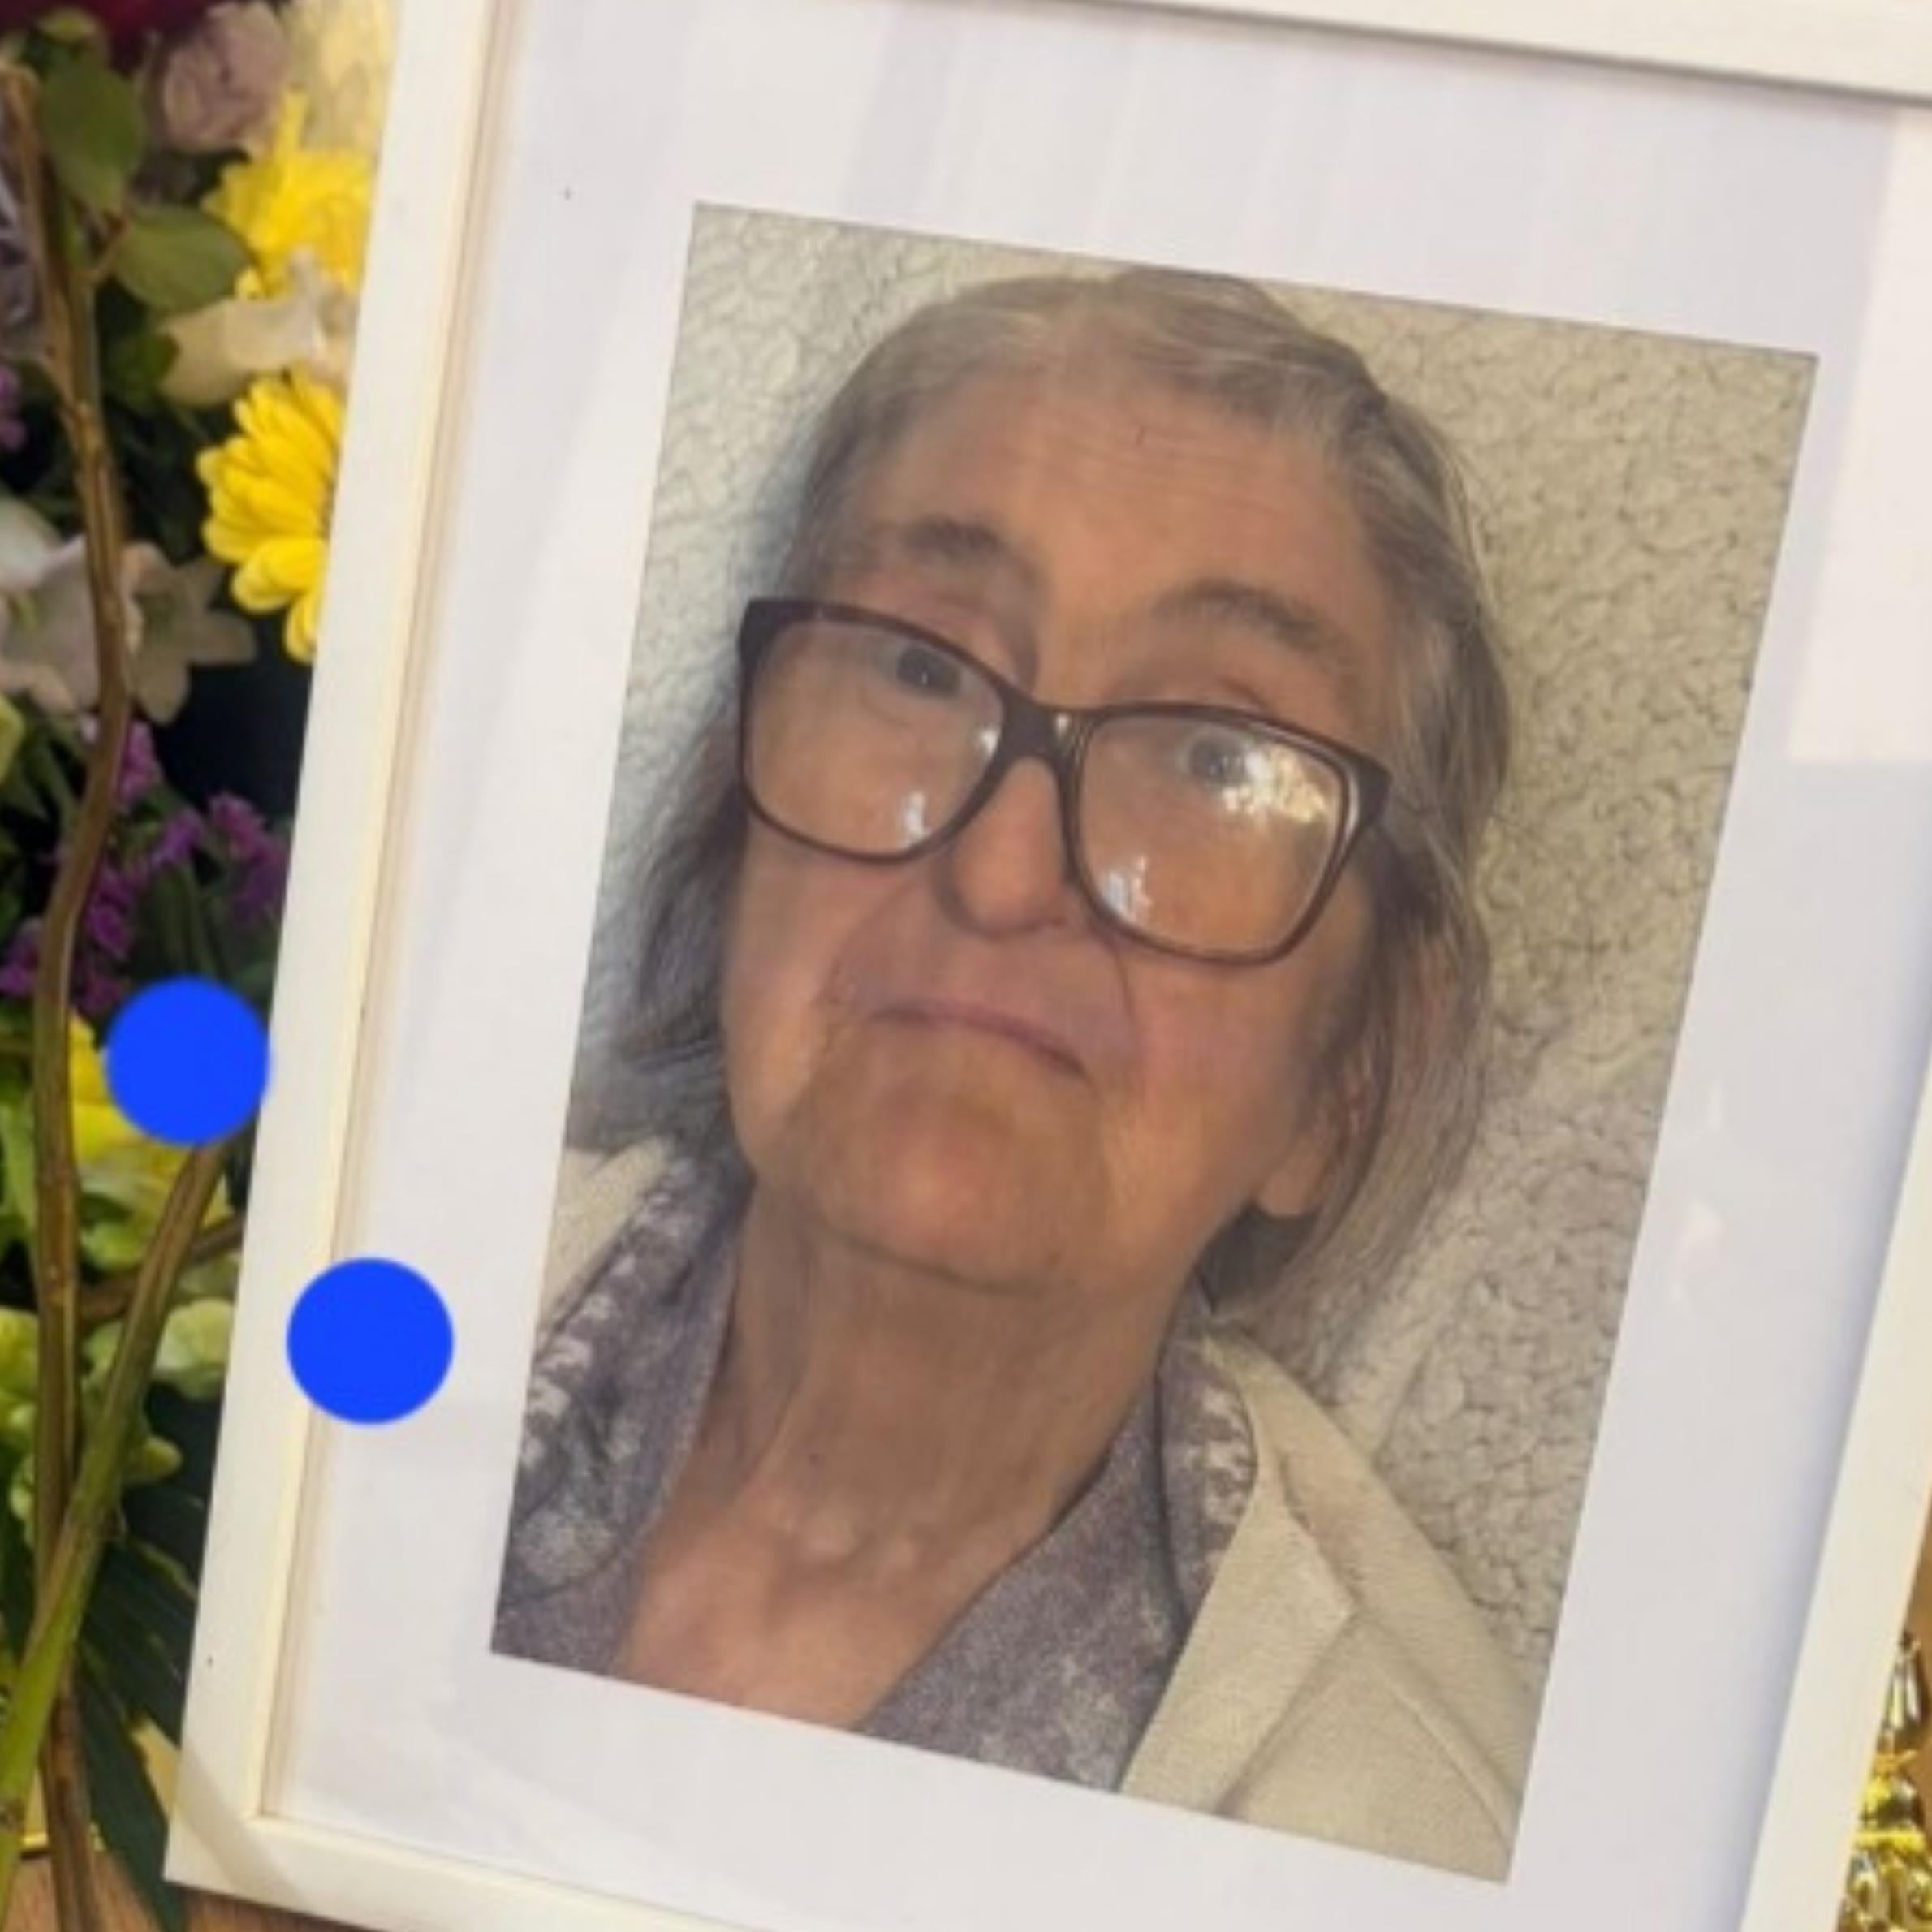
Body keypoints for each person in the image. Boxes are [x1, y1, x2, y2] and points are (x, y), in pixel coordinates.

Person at [495, 267, 1530, 1879]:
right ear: (729, 827)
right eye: (916, 665)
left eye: (1214, 759)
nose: (996, 871)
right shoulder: (324, 1312)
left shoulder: (1395, 1842)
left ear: (1350, 1069)